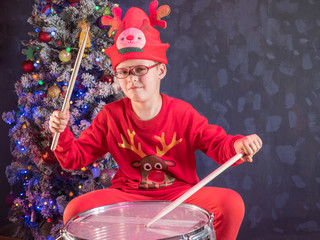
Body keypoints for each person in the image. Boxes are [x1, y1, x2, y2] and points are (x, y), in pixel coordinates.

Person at [49, 1, 262, 239]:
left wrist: (238, 146)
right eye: (123, 72)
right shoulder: (110, 116)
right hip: (128, 196)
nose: (132, 79)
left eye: (140, 69)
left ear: (160, 70)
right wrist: (62, 133)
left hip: (179, 195)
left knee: (231, 203)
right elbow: (73, 158)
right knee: (75, 211)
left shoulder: (182, 113)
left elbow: (217, 143)